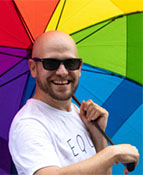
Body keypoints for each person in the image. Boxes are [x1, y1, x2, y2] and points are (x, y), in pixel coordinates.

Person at [9, 31, 139, 175]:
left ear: (79, 67)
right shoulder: (29, 123)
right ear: (33, 68)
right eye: (51, 63)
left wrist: (98, 136)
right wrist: (111, 154)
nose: (62, 72)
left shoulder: (79, 114)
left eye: (71, 63)